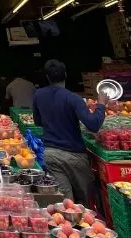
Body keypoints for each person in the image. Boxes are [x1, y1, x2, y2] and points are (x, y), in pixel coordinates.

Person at [32, 59, 108, 205]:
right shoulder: (73, 98)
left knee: (64, 200)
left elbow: (37, 122)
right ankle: (85, 225)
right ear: (66, 75)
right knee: (86, 200)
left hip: (51, 154)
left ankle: (67, 224)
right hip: (74, 156)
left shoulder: (38, 95)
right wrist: (101, 105)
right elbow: (93, 125)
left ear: (47, 77)